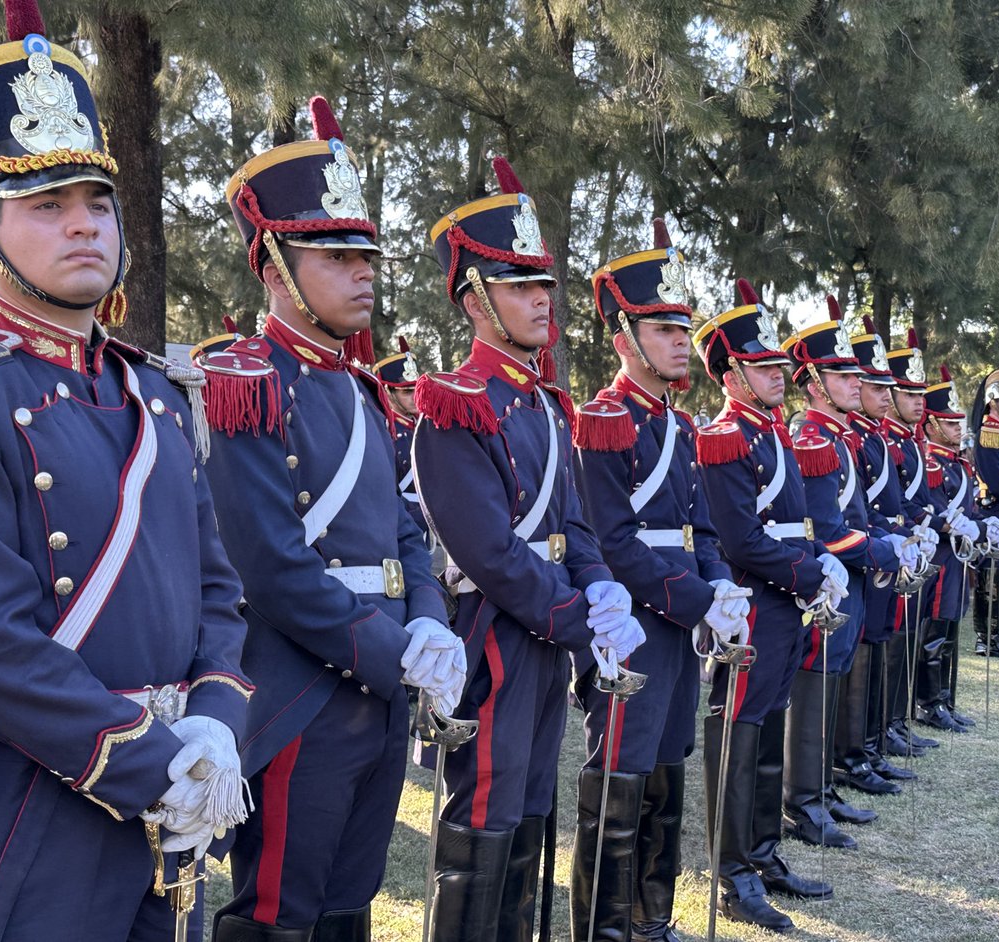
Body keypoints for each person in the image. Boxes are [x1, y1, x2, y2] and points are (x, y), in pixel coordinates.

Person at [0, 4, 253, 938]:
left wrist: (213, 724)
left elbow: (217, 594)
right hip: (23, 819)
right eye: (46, 205)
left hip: (173, 804)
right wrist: (151, 762)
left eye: (98, 202)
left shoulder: (158, 394)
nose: (84, 225)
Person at [202, 97, 463, 942]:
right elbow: (272, 568)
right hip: (301, 691)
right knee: (280, 911)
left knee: (350, 905)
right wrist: (393, 654)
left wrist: (430, 621)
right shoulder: (245, 384)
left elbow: (404, 532)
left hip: (381, 690)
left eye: (367, 258)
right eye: (338, 257)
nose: (364, 275)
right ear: (275, 266)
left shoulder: (360, 390)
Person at [412, 157, 642, 942]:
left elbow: (574, 522)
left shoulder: (544, 401)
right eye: (521, 286)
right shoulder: (455, 404)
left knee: (533, 808)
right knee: (487, 808)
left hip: (547, 637)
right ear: (475, 298)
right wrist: (579, 617)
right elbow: (488, 553)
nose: (544, 299)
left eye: (545, 284)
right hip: (496, 635)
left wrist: (602, 587)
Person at [570, 220, 748, 941]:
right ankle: (606, 931)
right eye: (664, 329)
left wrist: (721, 589)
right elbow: (610, 543)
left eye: (683, 327)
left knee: (666, 777)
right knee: (619, 779)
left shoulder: (681, 425)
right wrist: (699, 598)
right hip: (633, 627)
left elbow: (702, 528)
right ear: (624, 340)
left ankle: (652, 922)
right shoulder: (602, 420)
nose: (681, 341)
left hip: (679, 625)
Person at [691, 279, 848, 933]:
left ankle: (761, 854)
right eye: (761, 367)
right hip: (753, 604)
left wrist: (819, 565)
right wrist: (811, 572)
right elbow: (740, 541)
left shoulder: (774, 433)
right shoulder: (725, 437)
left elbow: (795, 525)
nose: (777, 374)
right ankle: (733, 874)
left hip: (786, 603)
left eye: (778, 365)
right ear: (731, 376)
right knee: (738, 730)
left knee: (768, 727)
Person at [780, 298, 903, 850]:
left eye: (856, 375)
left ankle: (823, 790)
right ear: (814, 385)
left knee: (833, 680)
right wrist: (882, 553)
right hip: (828, 581)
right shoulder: (812, 438)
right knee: (815, 683)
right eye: (843, 375)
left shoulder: (839, 437)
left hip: (848, 581)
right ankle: (802, 803)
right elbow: (825, 531)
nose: (857, 383)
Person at [838, 318, 919, 792]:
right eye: (875, 386)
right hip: (863, 556)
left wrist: (904, 535)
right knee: (860, 649)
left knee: (877, 643)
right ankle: (852, 755)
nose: (886, 395)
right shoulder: (854, 438)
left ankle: (869, 743)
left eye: (889, 388)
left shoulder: (874, 438)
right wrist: (887, 540)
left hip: (880, 553)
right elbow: (856, 512)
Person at [920, 365, 999, 730]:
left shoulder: (958, 464)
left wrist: (985, 527)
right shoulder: (931, 463)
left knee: (952, 629)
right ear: (931, 425)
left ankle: (946, 698)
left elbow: (969, 512)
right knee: (935, 632)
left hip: (958, 557)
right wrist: (963, 525)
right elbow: (934, 511)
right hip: (940, 557)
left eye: (959, 422)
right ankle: (929, 703)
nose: (958, 428)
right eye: (950, 423)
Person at [879, 331, 946, 756]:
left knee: (908, 636)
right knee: (892, 640)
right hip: (893, 549)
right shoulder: (887, 440)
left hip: (913, 546)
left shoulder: (910, 440)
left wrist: (927, 523)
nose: (919, 402)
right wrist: (915, 526)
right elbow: (892, 504)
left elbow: (917, 500)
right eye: (908, 393)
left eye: (921, 394)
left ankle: (896, 720)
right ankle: (884, 727)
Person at [374, 337, 429, 535]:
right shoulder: (383, 430)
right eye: (406, 391)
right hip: (403, 529)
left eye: (417, 389)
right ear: (387, 392)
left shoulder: (423, 426)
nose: (415, 396)